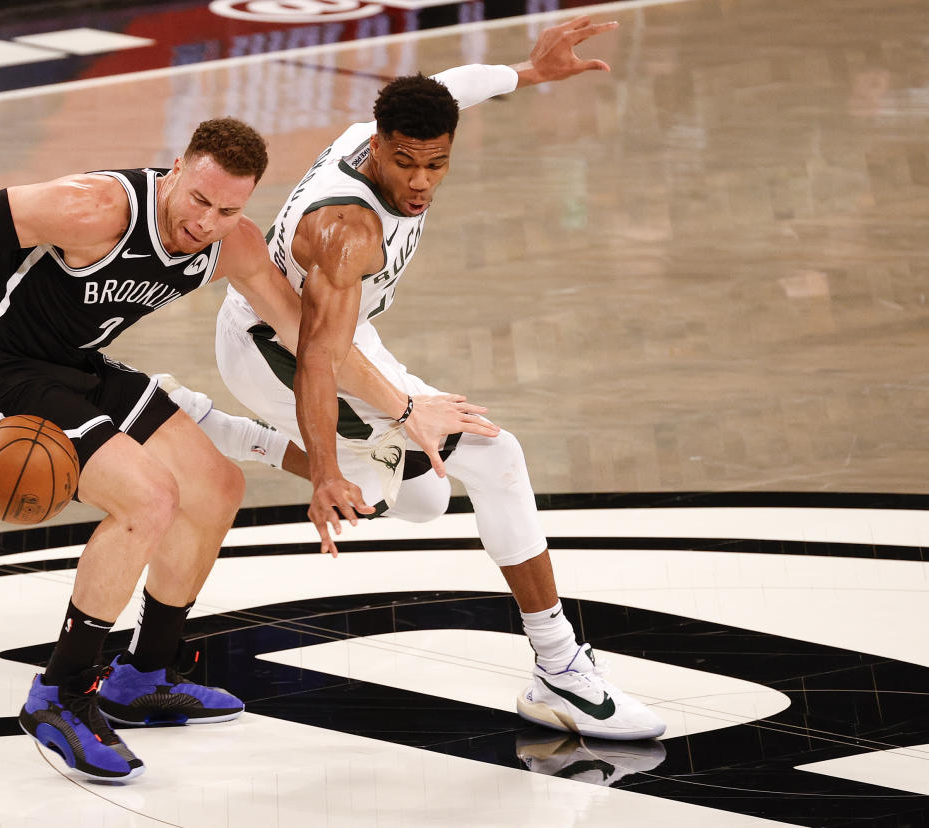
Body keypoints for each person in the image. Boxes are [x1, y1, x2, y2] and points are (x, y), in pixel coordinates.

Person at [0, 118, 488, 780]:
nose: (205, 222)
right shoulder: (94, 209)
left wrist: (406, 408)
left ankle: (142, 676)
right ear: (176, 170)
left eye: (228, 209)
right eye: (198, 200)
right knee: (147, 499)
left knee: (216, 488)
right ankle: (60, 695)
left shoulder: (232, 245)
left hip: (77, 365)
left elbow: (311, 338)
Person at [205, 16, 668, 741]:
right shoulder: (346, 230)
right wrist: (340, 456)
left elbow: (454, 87)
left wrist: (531, 72)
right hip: (280, 352)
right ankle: (559, 667)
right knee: (495, 457)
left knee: (421, 503)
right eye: (405, 164)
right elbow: (319, 357)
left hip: (339, 334)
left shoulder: (397, 124)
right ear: (379, 146)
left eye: (437, 164)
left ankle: (251, 440)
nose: (420, 182)